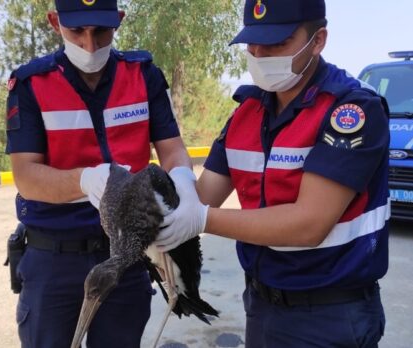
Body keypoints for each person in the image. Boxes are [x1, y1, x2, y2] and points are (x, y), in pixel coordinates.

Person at [156, 0, 390, 346]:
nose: (261, 54)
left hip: (330, 315)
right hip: (262, 303)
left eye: (277, 44)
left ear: (319, 39)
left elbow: (309, 224)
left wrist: (201, 220)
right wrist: (162, 192)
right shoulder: (246, 113)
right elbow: (203, 194)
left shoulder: (351, 110)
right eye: (253, 43)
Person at [4, 0, 192, 346]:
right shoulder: (32, 84)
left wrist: (184, 187)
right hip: (55, 260)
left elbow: (173, 150)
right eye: (77, 31)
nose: (89, 45)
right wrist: (85, 180)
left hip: (126, 254)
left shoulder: (143, 75)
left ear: (118, 21)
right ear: (54, 21)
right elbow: (26, 177)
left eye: (101, 32)